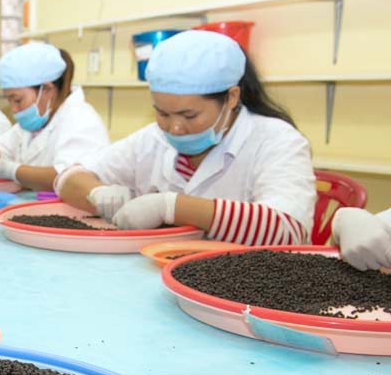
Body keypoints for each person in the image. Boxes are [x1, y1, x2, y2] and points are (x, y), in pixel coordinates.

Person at [57, 30, 315, 244]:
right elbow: (67, 178)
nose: (174, 128)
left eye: (189, 116)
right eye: (162, 113)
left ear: (231, 98)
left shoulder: (276, 140)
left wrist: (171, 207)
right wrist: (98, 193)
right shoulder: (152, 139)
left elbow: (289, 229)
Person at [0, 42, 108, 192]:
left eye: (17, 100)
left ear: (47, 90)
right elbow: (3, 148)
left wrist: (11, 170)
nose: (14, 110)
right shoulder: (36, 121)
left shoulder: (81, 120)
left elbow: (70, 177)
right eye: (9, 100)